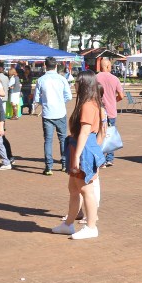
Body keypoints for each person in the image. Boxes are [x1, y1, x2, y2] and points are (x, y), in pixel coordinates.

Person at [51, 71, 106, 240]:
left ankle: (91, 226)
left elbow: (84, 132)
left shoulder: (88, 105)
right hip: (80, 147)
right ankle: (68, 224)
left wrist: (77, 156)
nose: (74, 85)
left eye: (76, 82)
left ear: (83, 85)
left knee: (85, 189)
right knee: (74, 189)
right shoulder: (89, 103)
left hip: (82, 150)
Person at [34, 57, 72, 176]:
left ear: (45, 66)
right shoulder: (62, 79)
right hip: (60, 112)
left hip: (47, 113)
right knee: (62, 139)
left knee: (48, 140)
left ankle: (48, 166)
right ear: (56, 66)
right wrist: (61, 102)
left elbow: (36, 99)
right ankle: (64, 164)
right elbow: (69, 96)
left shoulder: (41, 80)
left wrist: (44, 101)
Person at [96, 57, 124, 166]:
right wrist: (114, 100)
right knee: (110, 133)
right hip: (111, 110)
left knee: (99, 133)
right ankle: (110, 158)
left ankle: (100, 158)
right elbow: (121, 95)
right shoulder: (115, 79)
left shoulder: (95, 78)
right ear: (108, 66)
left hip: (99, 110)